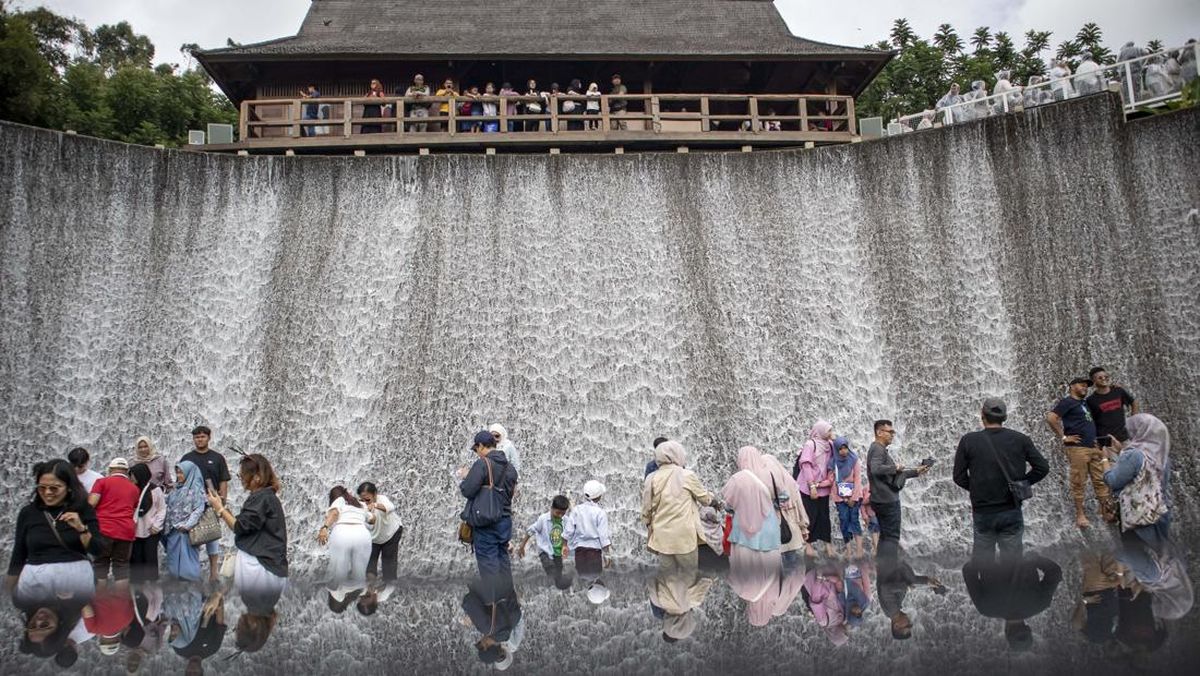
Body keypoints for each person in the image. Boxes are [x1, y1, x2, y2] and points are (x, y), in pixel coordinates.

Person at [953, 398, 1050, 563]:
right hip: (1011, 508)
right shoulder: (1021, 439)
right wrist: (1022, 483)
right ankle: (1011, 587)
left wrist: (977, 488)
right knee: (1012, 563)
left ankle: (987, 587)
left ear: (982, 415)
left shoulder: (968, 440)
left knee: (983, 563)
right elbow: (1042, 468)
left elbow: (959, 477)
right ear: (1004, 417)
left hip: (983, 510)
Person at [6, 459, 100, 603]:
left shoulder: (83, 510)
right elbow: (18, 554)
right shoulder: (28, 512)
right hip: (35, 582)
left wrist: (81, 529)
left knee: (73, 621)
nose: (47, 493)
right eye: (42, 488)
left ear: (69, 487)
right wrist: (8, 593)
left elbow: (98, 550)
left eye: (54, 488)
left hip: (76, 582)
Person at [208, 454, 288, 608]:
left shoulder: (262, 498)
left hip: (262, 569)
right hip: (266, 568)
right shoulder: (265, 497)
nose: (241, 478)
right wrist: (223, 508)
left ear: (257, 477)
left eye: (243, 475)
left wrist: (220, 508)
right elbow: (243, 525)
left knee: (256, 617)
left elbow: (239, 527)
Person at [1046, 376, 1116, 528]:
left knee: (1101, 480)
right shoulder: (1067, 402)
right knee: (1079, 481)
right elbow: (1051, 418)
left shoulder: (1085, 403)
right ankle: (1080, 515)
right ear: (1072, 386)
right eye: (1081, 385)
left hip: (1094, 447)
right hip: (1078, 449)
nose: (1085, 387)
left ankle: (1106, 511)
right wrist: (1064, 437)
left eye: (1086, 386)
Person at [642, 440, 717, 570]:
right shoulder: (687, 475)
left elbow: (646, 509)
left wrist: (649, 524)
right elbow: (705, 499)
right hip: (685, 537)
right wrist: (714, 500)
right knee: (689, 576)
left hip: (662, 537)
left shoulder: (651, 478)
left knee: (667, 579)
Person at [962, 553, 1062, 651]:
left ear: (1028, 627)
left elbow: (1055, 572)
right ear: (1006, 632)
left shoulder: (1040, 604)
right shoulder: (985, 609)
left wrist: (1036, 559)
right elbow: (968, 570)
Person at [1103, 414, 1171, 553]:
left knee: (1139, 560)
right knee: (1159, 555)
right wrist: (1121, 450)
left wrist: (1104, 460)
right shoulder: (1160, 454)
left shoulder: (1132, 455)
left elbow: (1113, 481)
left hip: (1138, 517)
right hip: (1158, 512)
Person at [459, 430, 519, 577]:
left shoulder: (482, 464)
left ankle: (493, 599)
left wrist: (465, 477)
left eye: (476, 449)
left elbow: (467, 490)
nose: (476, 453)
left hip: (487, 522)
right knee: (503, 563)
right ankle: (507, 598)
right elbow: (511, 493)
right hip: (504, 521)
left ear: (481, 446)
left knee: (489, 567)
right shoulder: (510, 468)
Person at [867, 419, 929, 553]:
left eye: (893, 432)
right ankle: (890, 567)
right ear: (879, 432)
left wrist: (915, 472)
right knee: (892, 538)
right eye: (890, 432)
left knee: (885, 536)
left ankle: (883, 568)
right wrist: (895, 467)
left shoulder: (878, 449)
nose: (892, 435)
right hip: (887, 500)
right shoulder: (878, 449)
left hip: (881, 499)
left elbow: (891, 476)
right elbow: (875, 469)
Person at [181, 425, 230, 582]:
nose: (199, 439)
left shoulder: (217, 458)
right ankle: (192, 571)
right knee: (193, 536)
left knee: (212, 535)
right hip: (192, 503)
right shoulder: (187, 458)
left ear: (209, 437)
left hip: (211, 501)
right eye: (196, 437)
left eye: (202, 436)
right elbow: (181, 479)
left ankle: (213, 573)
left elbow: (223, 480)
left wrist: (221, 503)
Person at [88, 457, 140, 584]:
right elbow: (133, 509)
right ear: (126, 471)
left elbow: (92, 504)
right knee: (121, 567)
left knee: (100, 565)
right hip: (126, 531)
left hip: (104, 529)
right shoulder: (135, 488)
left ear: (110, 469)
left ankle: (101, 599)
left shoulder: (101, 482)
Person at [877, 550, 945, 640]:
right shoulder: (894, 610)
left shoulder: (891, 610)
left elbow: (885, 588)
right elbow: (909, 581)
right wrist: (928, 581)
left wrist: (906, 588)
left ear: (896, 626)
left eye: (907, 625)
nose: (909, 622)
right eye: (910, 625)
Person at [318, 485, 374, 588]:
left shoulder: (339, 500)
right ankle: (356, 593)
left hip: (343, 533)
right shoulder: (361, 504)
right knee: (360, 573)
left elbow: (334, 513)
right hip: (362, 535)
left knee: (339, 571)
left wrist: (325, 527)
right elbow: (372, 519)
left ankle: (339, 595)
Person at [462, 574, 522, 668]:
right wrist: (471, 616)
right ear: (485, 646)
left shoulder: (515, 619)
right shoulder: (487, 628)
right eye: (479, 645)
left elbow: (517, 611)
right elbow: (469, 600)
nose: (479, 641)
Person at [794, 421, 835, 557]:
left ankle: (828, 545)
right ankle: (808, 545)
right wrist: (812, 486)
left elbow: (840, 456)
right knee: (809, 515)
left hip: (823, 486)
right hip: (808, 487)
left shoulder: (830, 445)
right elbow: (806, 465)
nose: (831, 433)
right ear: (821, 431)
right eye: (829, 430)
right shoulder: (810, 444)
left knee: (824, 515)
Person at [163, 461, 206, 581]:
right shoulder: (175, 489)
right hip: (173, 531)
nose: (179, 476)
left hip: (187, 532)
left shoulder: (196, 490)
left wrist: (187, 525)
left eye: (181, 473)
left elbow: (199, 509)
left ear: (189, 473)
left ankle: (192, 595)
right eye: (177, 473)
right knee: (173, 563)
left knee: (188, 565)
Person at [517, 495, 571, 588]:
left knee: (559, 569)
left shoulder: (565, 520)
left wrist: (566, 546)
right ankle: (551, 580)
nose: (560, 516)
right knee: (550, 569)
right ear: (551, 508)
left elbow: (568, 535)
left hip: (557, 552)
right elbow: (531, 531)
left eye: (563, 513)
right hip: (544, 551)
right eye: (557, 513)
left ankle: (559, 584)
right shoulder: (543, 519)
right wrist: (522, 546)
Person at [169, 589, 226, 673]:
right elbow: (219, 624)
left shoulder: (178, 649)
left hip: (185, 596)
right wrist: (219, 601)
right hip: (208, 595)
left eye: (189, 673)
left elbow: (174, 623)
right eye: (195, 673)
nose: (192, 670)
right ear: (201, 670)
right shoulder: (213, 648)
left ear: (186, 670)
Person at [357, 481, 403, 582]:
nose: (365, 502)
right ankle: (371, 589)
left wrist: (374, 505)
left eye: (368, 499)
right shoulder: (359, 506)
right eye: (362, 499)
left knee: (388, 562)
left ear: (375, 495)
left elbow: (391, 507)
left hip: (391, 534)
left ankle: (389, 588)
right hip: (373, 538)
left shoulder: (382, 499)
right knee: (369, 564)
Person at [566, 481, 611, 578]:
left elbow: (568, 532)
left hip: (579, 551)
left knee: (582, 577)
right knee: (594, 577)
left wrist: (564, 546)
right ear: (599, 497)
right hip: (594, 552)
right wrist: (607, 555)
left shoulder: (576, 510)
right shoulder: (600, 513)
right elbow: (603, 537)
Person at [128, 464, 165, 583]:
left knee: (150, 556)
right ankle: (136, 585)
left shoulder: (155, 490)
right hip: (135, 530)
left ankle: (152, 585)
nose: (131, 478)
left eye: (133, 476)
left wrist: (157, 526)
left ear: (141, 475)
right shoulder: (131, 489)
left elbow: (162, 509)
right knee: (135, 556)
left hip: (151, 529)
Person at [1086, 367, 1138, 451]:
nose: (1104, 379)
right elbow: (1090, 421)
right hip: (1106, 441)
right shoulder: (1091, 400)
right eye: (1100, 377)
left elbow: (1134, 402)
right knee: (1113, 464)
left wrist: (1134, 419)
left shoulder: (1118, 391)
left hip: (1124, 437)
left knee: (1132, 461)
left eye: (1105, 376)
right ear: (1093, 381)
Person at [830, 436, 866, 559]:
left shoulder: (854, 459)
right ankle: (849, 549)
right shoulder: (832, 462)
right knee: (844, 521)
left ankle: (859, 550)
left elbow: (858, 480)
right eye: (840, 449)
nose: (843, 451)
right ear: (836, 450)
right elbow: (833, 483)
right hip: (840, 499)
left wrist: (853, 498)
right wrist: (844, 499)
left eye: (845, 448)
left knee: (854, 520)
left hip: (854, 497)